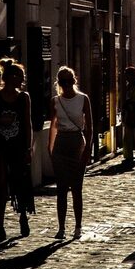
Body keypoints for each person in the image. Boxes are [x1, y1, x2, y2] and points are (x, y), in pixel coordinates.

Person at [0, 60, 34, 242]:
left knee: (20, 183)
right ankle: (0, 225)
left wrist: (29, 148)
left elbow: (28, 124)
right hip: (0, 147)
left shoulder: (23, 97)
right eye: (19, 77)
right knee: (0, 185)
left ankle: (23, 217)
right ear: (10, 78)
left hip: (18, 147)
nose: (22, 80)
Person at [48, 66, 93, 239]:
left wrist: (88, 148)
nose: (66, 85)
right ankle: (61, 228)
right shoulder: (55, 101)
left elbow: (89, 126)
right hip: (61, 144)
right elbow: (52, 125)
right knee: (61, 189)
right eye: (62, 82)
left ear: (74, 81)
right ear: (58, 83)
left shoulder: (83, 99)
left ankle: (78, 226)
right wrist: (50, 148)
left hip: (76, 144)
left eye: (68, 81)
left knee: (77, 187)